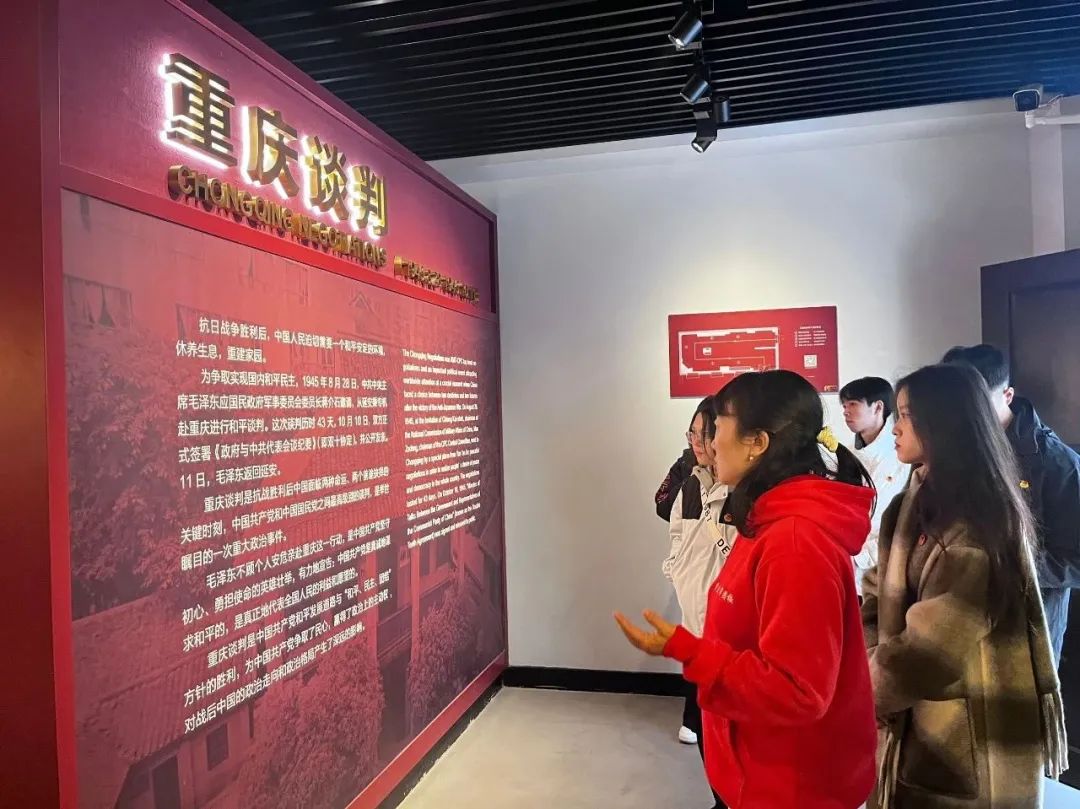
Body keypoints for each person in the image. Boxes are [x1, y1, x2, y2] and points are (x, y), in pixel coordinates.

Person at [616, 370, 878, 808]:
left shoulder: (794, 541)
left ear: (757, 442)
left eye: (718, 427)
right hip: (754, 769)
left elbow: (798, 690)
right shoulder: (764, 520)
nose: (711, 443)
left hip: (789, 785)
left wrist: (689, 650)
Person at [862, 363, 1067, 809]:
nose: (895, 428)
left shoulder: (976, 523)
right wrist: (871, 648)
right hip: (916, 717)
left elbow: (931, 653)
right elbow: (876, 590)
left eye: (906, 415)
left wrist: (861, 684)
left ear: (945, 422)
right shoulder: (909, 505)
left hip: (966, 731)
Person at [942, 344, 1080, 667]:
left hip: (1026, 630)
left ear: (1007, 395)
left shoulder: (1056, 462)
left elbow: (1075, 560)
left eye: (975, 403)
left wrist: (1008, 566)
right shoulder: (954, 451)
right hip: (961, 619)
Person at [663, 395, 736, 809]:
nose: (698, 442)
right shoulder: (692, 482)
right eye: (692, 433)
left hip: (728, 629)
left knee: (729, 731)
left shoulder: (742, 489)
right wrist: (675, 568)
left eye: (706, 433)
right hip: (696, 620)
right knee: (710, 729)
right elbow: (675, 528)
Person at [839, 377, 910, 596]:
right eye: (844, 406)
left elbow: (899, 524)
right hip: (848, 570)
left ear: (878, 407)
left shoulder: (903, 456)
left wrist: (859, 558)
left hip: (885, 572)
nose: (846, 412)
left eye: (853, 404)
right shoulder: (845, 454)